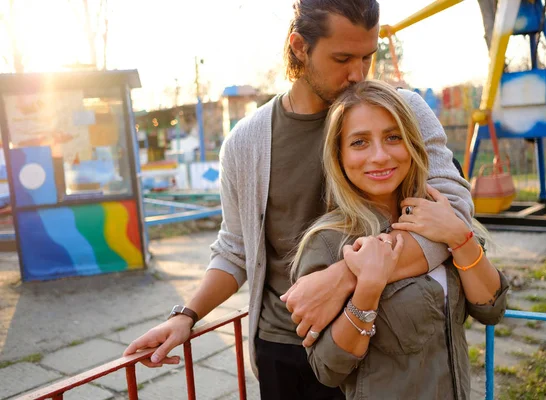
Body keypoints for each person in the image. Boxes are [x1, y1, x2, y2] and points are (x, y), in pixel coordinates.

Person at [123, 1, 474, 398]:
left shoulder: (402, 112)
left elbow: (454, 213)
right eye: (343, 58)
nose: (358, 73)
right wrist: (187, 316)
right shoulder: (247, 142)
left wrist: (344, 277)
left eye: (367, 57)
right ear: (299, 47)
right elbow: (236, 249)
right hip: (287, 350)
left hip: (386, 345)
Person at [291, 80, 509, 399]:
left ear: (412, 143)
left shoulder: (438, 212)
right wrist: (366, 289)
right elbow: (327, 368)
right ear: (338, 155)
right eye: (360, 142)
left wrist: (458, 235)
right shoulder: (328, 241)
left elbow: (492, 310)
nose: (380, 156)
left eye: (393, 137)